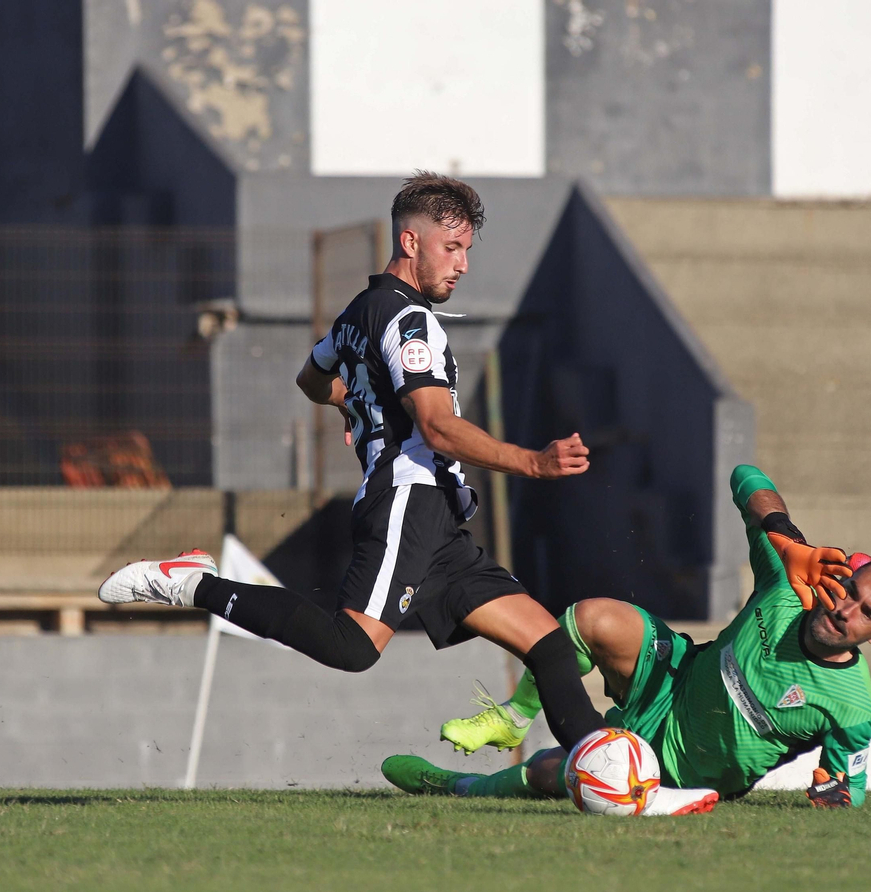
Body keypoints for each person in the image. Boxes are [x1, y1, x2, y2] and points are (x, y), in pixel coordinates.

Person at [99, 172, 608, 753]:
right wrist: (534, 464)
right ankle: (195, 584)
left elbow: (311, 377)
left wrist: (356, 402)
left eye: (467, 249)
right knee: (352, 647)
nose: (463, 263)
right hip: (408, 502)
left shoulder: (355, 314)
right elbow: (438, 428)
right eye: (451, 247)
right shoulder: (406, 320)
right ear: (411, 243)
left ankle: (602, 766)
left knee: (548, 644)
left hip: (440, 522)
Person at [381, 464, 871, 813]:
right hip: (673, 678)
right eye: (851, 591)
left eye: (867, 614)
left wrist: (834, 791)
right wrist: (786, 537)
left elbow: (849, 791)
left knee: (554, 773)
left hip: (680, 771)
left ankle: (454, 788)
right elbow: (746, 476)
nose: (846, 610)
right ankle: (512, 716)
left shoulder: (854, 708)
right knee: (592, 616)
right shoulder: (789, 584)